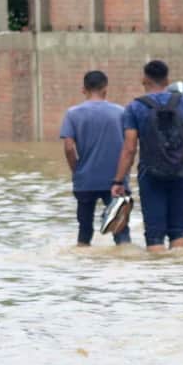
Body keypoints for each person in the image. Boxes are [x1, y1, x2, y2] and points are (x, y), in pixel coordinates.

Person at [110, 59, 183, 252]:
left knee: (154, 233)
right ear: (167, 80)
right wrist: (182, 162)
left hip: (150, 174)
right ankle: (177, 268)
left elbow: (129, 148)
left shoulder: (134, 107)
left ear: (144, 80)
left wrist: (118, 181)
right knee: (178, 230)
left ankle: (157, 268)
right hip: (181, 173)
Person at [59, 70, 129, 247]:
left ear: (83, 89)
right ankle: (126, 262)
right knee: (120, 230)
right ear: (105, 89)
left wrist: (76, 170)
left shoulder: (72, 114)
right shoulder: (121, 112)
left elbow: (68, 147)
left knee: (84, 230)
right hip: (116, 181)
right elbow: (130, 147)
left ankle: (83, 260)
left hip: (85, 180)